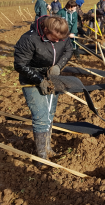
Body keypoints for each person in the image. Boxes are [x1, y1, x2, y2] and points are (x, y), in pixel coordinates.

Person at [14, 16, 73, 163]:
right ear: (46, 30)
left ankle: (47, 148)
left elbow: (68, 49)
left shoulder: (61, 36)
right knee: (41, 117)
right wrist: (40, 80)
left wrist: (58, 66)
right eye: (54, 39)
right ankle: (42, 157)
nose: (58, 41)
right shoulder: (29, 39)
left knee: (49, 114)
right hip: (32, 80)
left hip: (53, 79)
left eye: (61, 39)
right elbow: (20, 64)